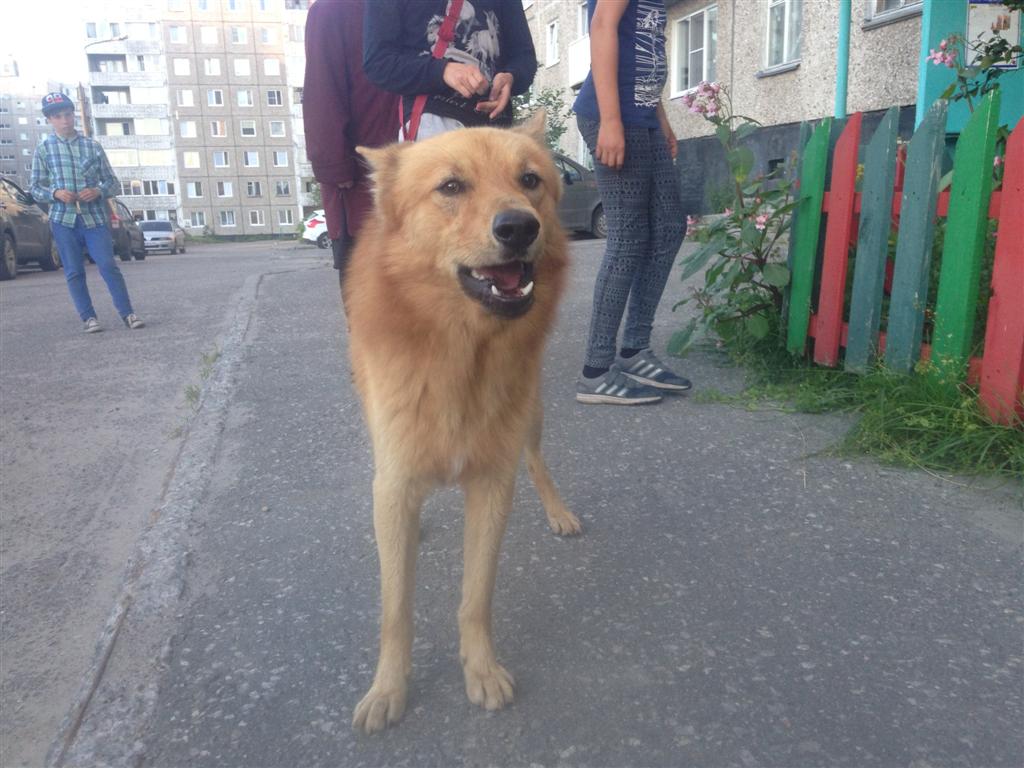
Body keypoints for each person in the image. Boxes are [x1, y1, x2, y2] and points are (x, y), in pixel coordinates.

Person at [572, 0, 691, 405]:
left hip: (643, 118)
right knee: (628, 238)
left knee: (670, 227)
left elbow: (643, 47)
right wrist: (611, 121)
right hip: (614, 116)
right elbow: (603, 26)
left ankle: (634, 349)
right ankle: (596, 370)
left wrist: (661, 119)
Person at [30, 92, 143, 334]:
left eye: (68, 114)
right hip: (63, 220)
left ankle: (128, 313)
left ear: (74, 115)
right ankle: (89, 317)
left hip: (94, 220)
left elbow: (112, 182)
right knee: (74, 271)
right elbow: (35, 188)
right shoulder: (44, 149)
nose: (64, 121)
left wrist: (98, 191)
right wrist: (55, 193)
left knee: (107, 265)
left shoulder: (92, 146)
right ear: (49, 120)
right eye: (58, 117)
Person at [302, 0, 398, 281]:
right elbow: (322, 94)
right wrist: (335, 166)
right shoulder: (333, 10)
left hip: (418, 175)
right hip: (360, 184)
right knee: (369, 289)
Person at [363, 0, 537, 142]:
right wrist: (442, 71)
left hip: (496, 129)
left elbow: (524, 57)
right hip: (433, 125)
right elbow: (379, 63)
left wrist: (511, 77)